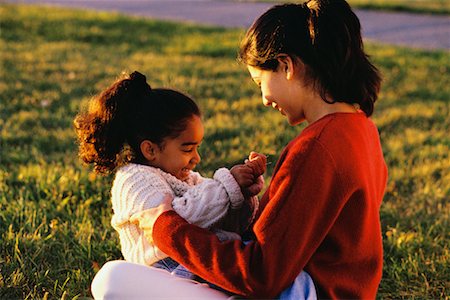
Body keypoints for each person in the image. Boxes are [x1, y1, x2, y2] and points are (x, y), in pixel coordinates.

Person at [91, 0, 388, 298]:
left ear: (285, 66)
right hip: (328, 289)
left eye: (260, 81)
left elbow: (260, 275)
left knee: (112, 279)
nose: (264, 99)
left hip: (305, 292)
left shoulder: (316, 147)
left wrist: (165, 228)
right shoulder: (361, 129)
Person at [74, 71, 268, 281]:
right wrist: (227, 187)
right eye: (187, 149)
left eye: (197, 148)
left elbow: (221, 223)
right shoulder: (134, 180)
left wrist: (242, 195)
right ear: (150, 150)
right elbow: (175, 225)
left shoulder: (187, 178)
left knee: (254, 253)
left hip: (190, 260)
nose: (196, 158)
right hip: (164, 269)